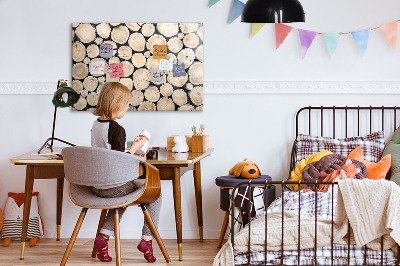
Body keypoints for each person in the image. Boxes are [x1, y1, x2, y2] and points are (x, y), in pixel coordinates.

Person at [91, 82, 161, 263]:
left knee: (121, 197)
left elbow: (108, 154)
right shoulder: (117, 129)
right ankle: (147, 240)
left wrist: (130, 149)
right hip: (114, 186)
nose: (127, 109)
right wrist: (136, 148)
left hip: (97, 186)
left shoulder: (96, 125)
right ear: (117, 104)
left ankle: (103, 238)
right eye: (126, 104)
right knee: (156, 194)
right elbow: (119, 160)